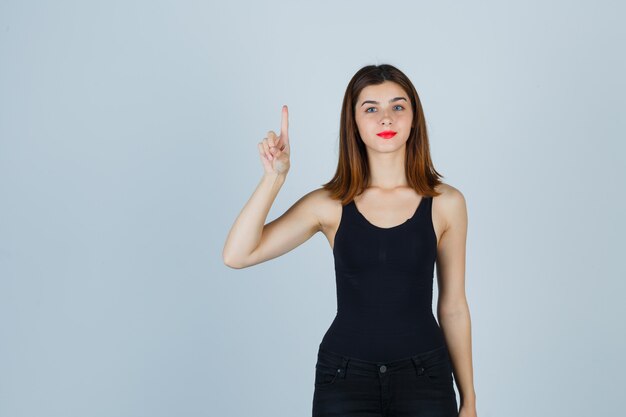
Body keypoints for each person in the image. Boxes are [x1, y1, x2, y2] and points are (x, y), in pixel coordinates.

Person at [222, 63, 477, 417]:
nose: (385, 118)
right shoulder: (328, 204)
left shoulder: (447, 203)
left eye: (397, 106)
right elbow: (238, 254)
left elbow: (453, 307)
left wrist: (469, 401)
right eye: (370, 108)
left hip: (426, 379)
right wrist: (274, 178)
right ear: (354, 123)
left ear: (414, 118)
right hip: (345, 378)